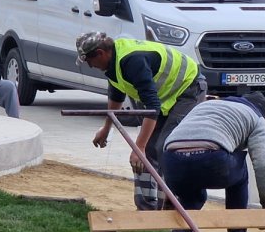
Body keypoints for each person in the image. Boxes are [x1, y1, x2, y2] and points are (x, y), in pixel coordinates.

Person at [75, 31, 206, 210]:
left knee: (167, 148)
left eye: (89, 60)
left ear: (100, 53)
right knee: (150, 151)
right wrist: (106, 128)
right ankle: (146, 210)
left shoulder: (131, 61)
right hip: (163, 98)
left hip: (188, 89)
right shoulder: (113, 64)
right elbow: (116, 96)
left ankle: (171, 207)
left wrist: (139, 148)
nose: (90, 66)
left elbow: (152, 107)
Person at [161, 93, 265, 232]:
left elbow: (181, 141)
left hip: (171, 160)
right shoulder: (256, 118)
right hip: (212, 158)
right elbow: (263, 164)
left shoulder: (205, 106)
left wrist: (169, 193)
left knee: (193, 195)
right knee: (241, 174)